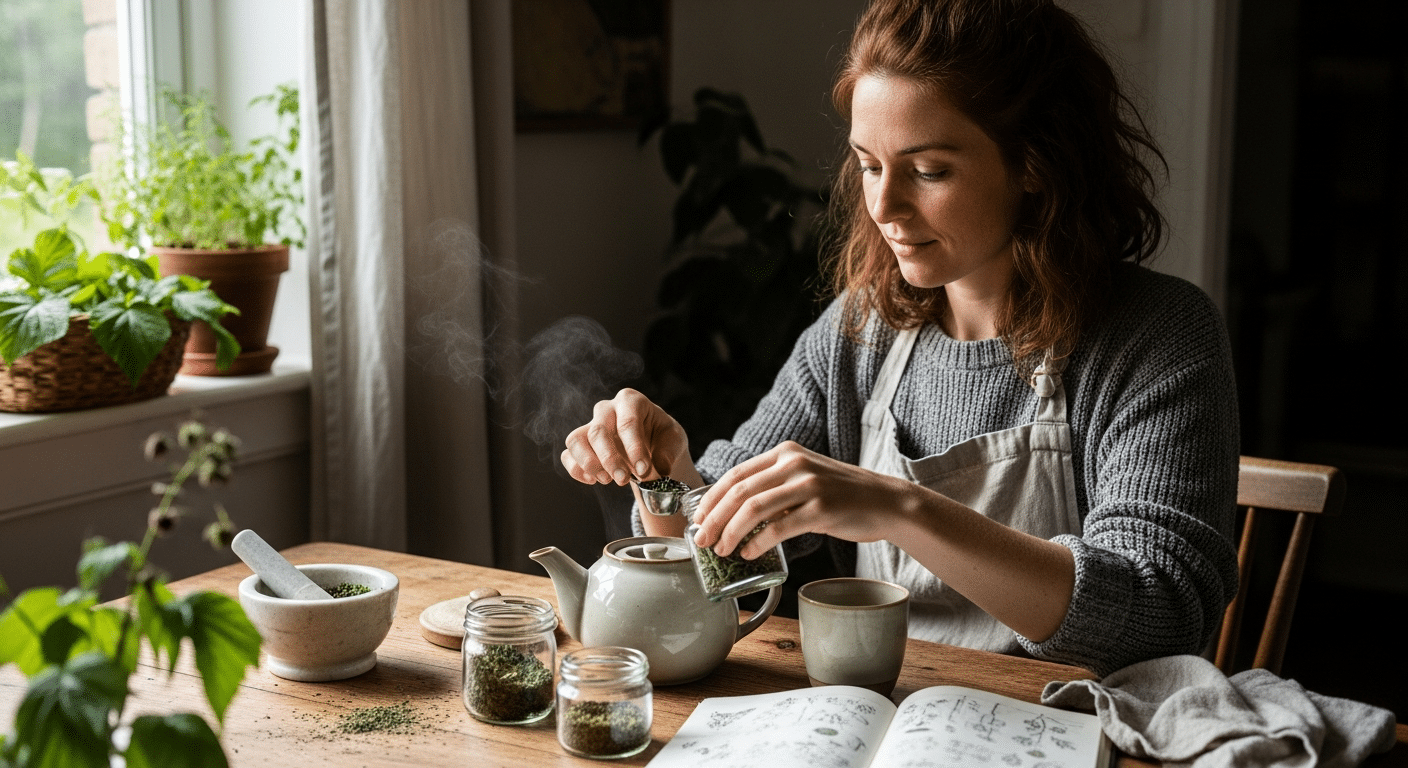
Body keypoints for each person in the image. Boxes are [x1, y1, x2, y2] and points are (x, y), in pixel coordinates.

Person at [561, 0, 1240, 677]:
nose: (883, 208)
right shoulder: (862, 332)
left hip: (1075, 727)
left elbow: (1163, 613)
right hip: (890, 717)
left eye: (929, 170)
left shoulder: (1158, 336)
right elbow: (731, 558)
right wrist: (668, 479)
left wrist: (899, 507)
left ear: (1035, 163)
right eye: (869, 165)